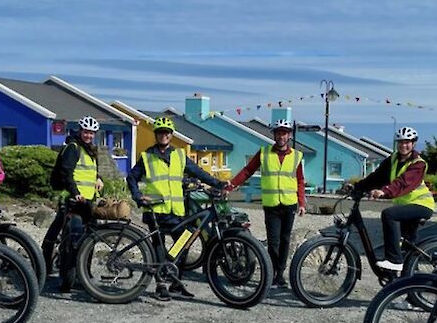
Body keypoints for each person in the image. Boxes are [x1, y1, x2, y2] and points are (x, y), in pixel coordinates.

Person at [127, 116, 226, 301]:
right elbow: (131, 178)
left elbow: (198, 172)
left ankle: (175, 282)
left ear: (171, 135)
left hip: (176, 211)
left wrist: (217, 183)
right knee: (159, 247)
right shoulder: (147, 156)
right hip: (155, 210)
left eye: (166, 132)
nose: (163, 135)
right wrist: (137, 196)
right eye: (160, 132)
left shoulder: (179, 155)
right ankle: (160, 286)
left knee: (184, 242)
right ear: (156, 135)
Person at [225, 119, 305, 287]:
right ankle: (272, 272)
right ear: (274, 135)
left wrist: (302, 203)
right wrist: (232, 185)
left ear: (289, 135)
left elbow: (300, 181)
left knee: (285, 240)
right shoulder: (264, 153)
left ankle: (280, 274)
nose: (281, 136)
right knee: (273, 241)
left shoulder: (297, 156)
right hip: (271, 205)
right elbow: (247, 171)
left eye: (284, 133)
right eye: (278, 133)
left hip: (289, 204)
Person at [354, 127, 435, 274]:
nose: (403, 145)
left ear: (414, 144)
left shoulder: (418, 164)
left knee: (389, 214)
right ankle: (409, 284)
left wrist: (384, 192)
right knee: (405, 246)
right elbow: (376, 177)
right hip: (405, 207)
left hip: (421, 205)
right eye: (400, 142)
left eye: (407, 142)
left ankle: (395, 260)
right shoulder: (393, 159)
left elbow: (402, 183)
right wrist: (357, 187)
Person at [42, 116, 104, 293]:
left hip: (87, 202)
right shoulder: (73, 148)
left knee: (90, 238)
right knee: (72, 239)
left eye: (91, 133)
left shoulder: (91, 151)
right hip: (72, 201)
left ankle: (84, 274)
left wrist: (99, 179)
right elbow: (66, 173)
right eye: (86, 132)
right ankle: (65, 277)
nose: (88, 135)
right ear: (80, 131)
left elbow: (90, 173)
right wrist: (76, 193)